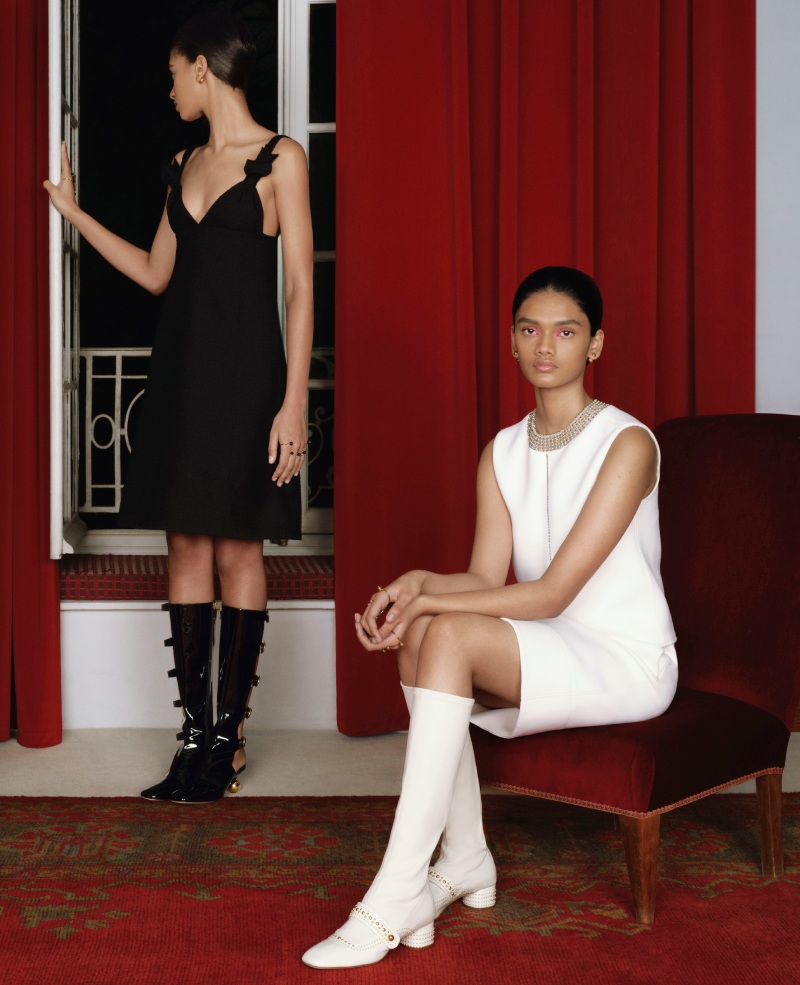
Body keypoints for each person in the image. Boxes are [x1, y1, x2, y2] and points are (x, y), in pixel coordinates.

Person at [301, 266, 677, 968]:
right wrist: (418, 588)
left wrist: (429, 598)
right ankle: (466, 856)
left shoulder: (628, 444)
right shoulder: (502, 451)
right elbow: (482, 578)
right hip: (553, 640)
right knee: (421, 630)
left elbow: (552, 592)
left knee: (439, 626)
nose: (546, 345)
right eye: (530, 329)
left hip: (626, 657)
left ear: (595, 344)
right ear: (511, 340)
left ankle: (397, 892)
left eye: (566, 331)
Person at [44, 11, 313, 804]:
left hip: (249, 380)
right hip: (182, 380)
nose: (168, 92)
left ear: (202, 67)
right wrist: (74, 214)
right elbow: (157, 273)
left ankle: (228, 739)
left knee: (239, 551)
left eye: (172, 75)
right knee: (185, 545)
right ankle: (194, 736)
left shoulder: (281, 159)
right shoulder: (181, 163)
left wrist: (293, 402)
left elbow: (301, 289)